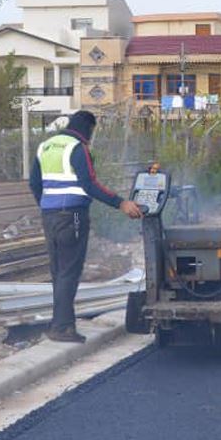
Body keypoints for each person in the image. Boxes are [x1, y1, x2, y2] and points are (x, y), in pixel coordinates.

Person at [29, 111, 143, 343]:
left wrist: (47, 205)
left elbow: (34, 183)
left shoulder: (46, 146)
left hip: (49, 216)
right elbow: (89, 184)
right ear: (88, 128)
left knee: (58, 271)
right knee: (70, 271)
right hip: (72, 216)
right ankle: (62, 328)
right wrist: (121, 203)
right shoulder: (77, 148)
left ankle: (58, 323)